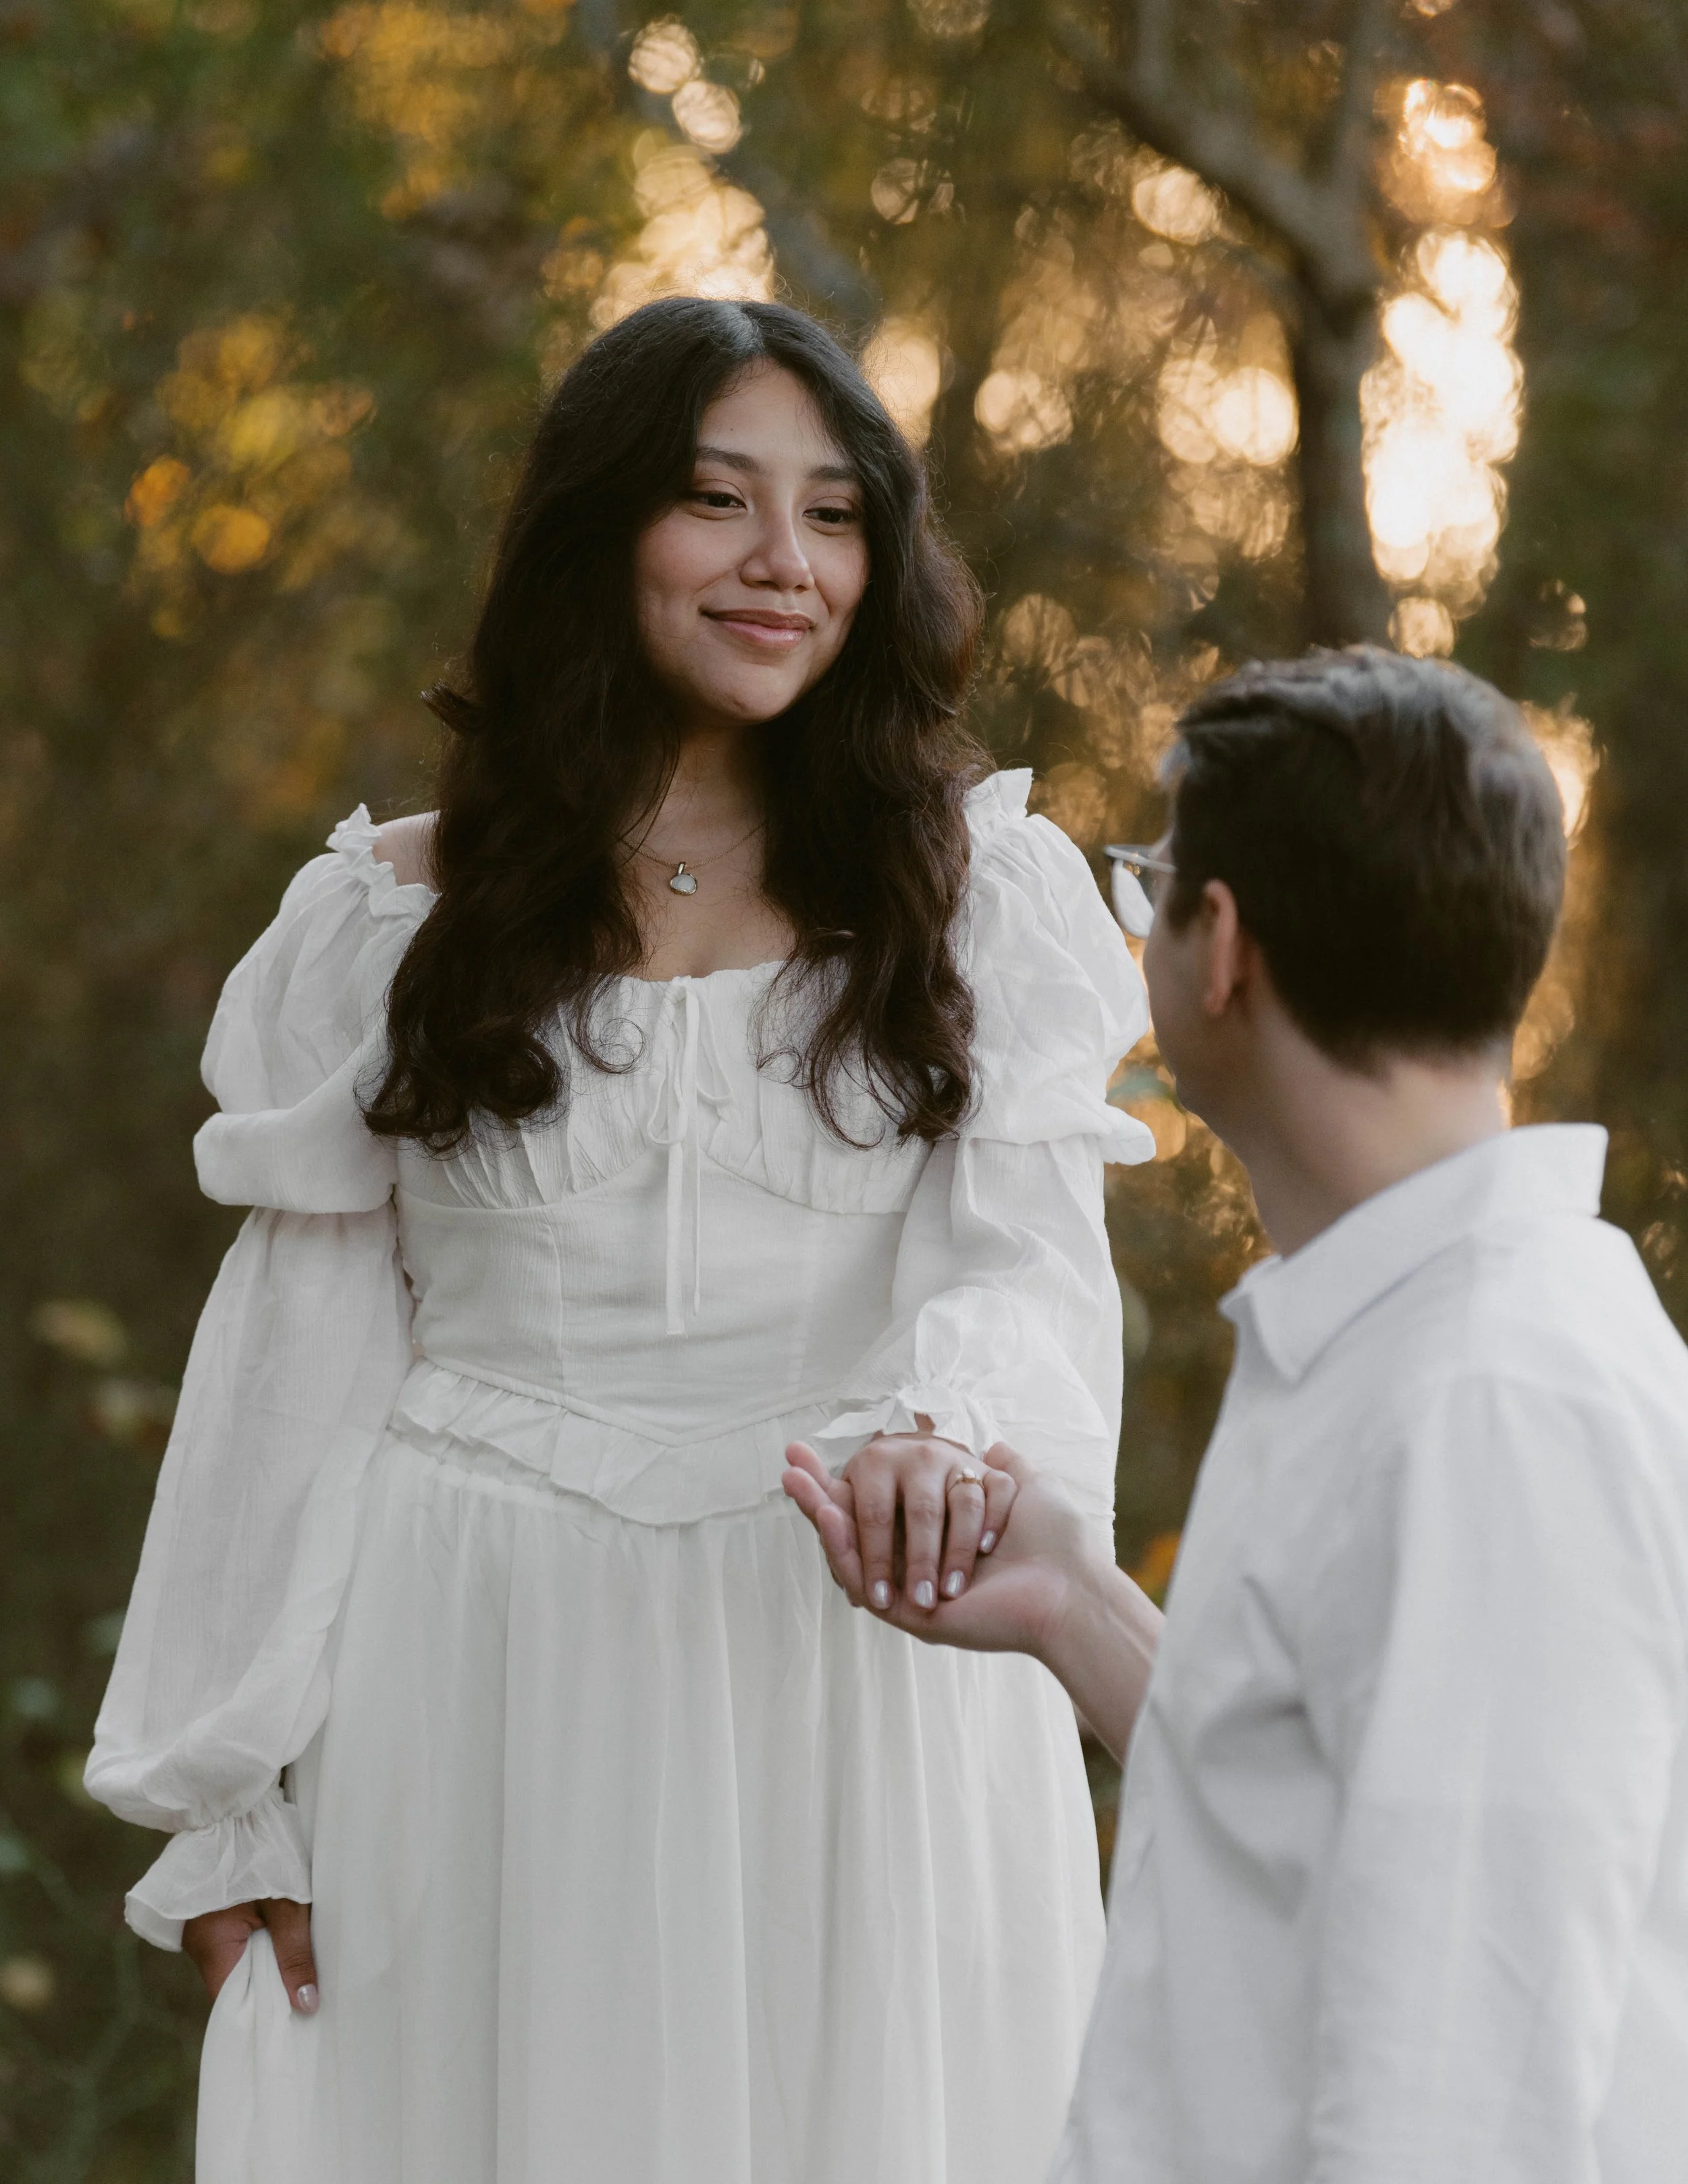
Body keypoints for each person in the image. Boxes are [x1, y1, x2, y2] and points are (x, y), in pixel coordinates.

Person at [85, 296, 1158, 2182]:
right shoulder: (392, 914)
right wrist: (225, 1784)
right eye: (716, 501)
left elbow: (1023, 1268)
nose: (782, 563)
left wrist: (944, 1430)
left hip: (855, 1671)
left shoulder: (976, 897)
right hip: (480, 1676)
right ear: (599, 534)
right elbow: (301, 1345)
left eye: (833, 515)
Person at [787, 647, 1688, 2184]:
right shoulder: (1384, 1336)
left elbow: (1461, 2092)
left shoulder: (1490, 1400)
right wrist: (1079, 1605)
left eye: (1151, 884)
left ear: (1220, 947)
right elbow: (1326, 1845)